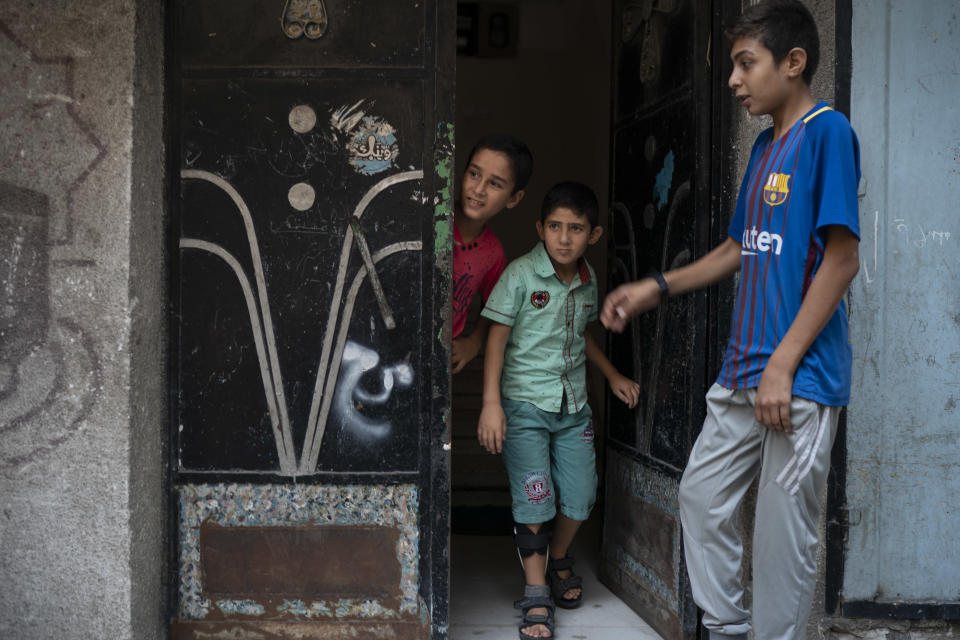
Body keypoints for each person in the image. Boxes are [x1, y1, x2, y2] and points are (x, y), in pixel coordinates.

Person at [601, 2, 860, 639]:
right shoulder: (767, 146)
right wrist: (653, 287)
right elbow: (738, 248)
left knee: (781, 540)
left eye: (747, 64)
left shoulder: (827, 134)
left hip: (796, 378)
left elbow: (842, 260)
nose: (734, 80)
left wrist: (783, 364)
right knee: (700, 499)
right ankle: (726, 628)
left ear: (793, 63)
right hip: (743, 369)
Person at [479, 181, 641, 640]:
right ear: (540, 229)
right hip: (524, 403)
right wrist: (491, 404)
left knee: (582, 493)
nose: (564, 238)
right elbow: (497, 337)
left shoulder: (588, 282)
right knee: (535, 496)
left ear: (593, 234)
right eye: (555, 227)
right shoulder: (520, 275)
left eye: (575, 228)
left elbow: (580, 337)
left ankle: (559, 556)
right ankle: (536, 592)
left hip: (574, 406)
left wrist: (610, 375)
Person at [451, 133, 533, 374]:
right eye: (474, 174)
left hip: (440, 354)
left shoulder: (493, 254)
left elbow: (494, 304)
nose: (478, 189)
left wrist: (474, 342)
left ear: (514, 198)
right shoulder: (432, 221)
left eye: (495, 183)